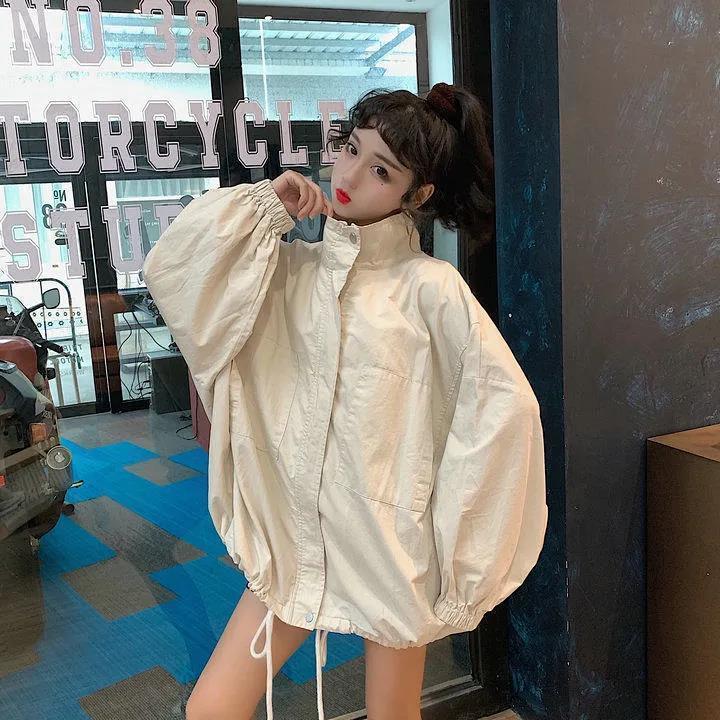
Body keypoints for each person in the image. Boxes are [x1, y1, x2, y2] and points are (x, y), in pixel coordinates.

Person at [142, 83, 548, 720]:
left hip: (391, 552)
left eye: (382, 170)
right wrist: (266, 207)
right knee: (211, 710)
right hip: (295, 546)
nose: (351, 176)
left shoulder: (432, 290)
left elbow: (504, 415)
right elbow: (175, 271)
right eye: (352, 149)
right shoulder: (289, 271)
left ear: (418, 196)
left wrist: (459, 556)